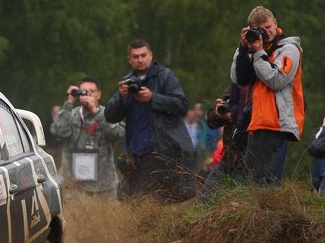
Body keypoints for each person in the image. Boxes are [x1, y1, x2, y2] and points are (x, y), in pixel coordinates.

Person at [104, 39, 195, 202]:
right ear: (129, 59)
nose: (140, 60)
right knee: (127, 199)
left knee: (145, 200)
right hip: (134, 154)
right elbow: (110, 116)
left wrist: (153, 98)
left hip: (160, 149)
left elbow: (182, 105)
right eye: (135, 56)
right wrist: (120, 98)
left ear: (151, 55)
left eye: (143, 55)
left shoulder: (165, 76)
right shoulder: (127, 82)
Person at [230, 6, 304, 185]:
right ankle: (270, 203)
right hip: (255, 119)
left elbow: (276, 80)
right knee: (257, 178)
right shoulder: (254, 46)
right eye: (259, 28)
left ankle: (263, 203)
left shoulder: (289, 48)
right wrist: (243, 48)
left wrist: (258, 53)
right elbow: (238, 78)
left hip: (274, 121)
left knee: (255, 179)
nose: (265, 32)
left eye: (268, 27)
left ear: (275, 23)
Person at [50, 77, 124, 197]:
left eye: (92, 91)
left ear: (99, 94)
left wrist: (96, 111)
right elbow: (58, 131)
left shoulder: (108, 114)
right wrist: (69, 101)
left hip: (104, 185)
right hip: (73, 184)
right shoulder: (71, 114)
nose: (87, 94)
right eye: (83, 91)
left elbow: (119, 134)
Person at [199, 83, 249, 203]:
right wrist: (217, 113)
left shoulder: (259, 89)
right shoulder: (235, 88)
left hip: (248, 159)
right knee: (204, 199)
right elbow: (211, 122)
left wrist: (234, 117)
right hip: (229, 158)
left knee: (240, 201)